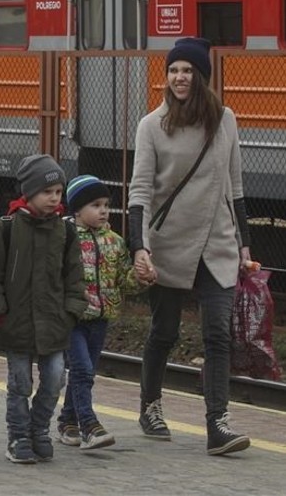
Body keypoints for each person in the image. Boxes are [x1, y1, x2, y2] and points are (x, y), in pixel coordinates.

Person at [128, 37, 254, 456]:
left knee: (218, 335)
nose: (180, 78)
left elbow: (235, 187)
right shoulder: (152, 125)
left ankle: (218, 423)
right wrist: (139, 247)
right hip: (169, 245)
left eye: (188, 71)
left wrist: (245, 246)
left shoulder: (226, 120)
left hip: (217, 245)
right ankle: (150, 405)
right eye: (174, 70)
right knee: (164, 332)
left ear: (202, 77)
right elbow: (140, 192)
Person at [0, 154, 87, 464]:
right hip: (16, 323)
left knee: (54, 380)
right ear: (29, 192)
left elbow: (75, 277)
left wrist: (70, 314)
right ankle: (19, 436)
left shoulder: (66, 231)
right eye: (47, 192)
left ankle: (39, 430)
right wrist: (0, 314)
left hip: (53, 324)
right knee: (20, 383)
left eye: (58, 193)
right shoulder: (6, 227)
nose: (54, 199)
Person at [56, 175, 150, 450]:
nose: (104, 210)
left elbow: (124, 279)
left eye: (106, 205)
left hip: (101, 319)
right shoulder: (64, 237)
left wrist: (141, 277)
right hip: (72, 318)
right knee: (83, 370)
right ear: (77, 209)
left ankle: (66, 421)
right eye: (95, 205)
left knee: (84, 373)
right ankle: (89, 425)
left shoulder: (115, 241)